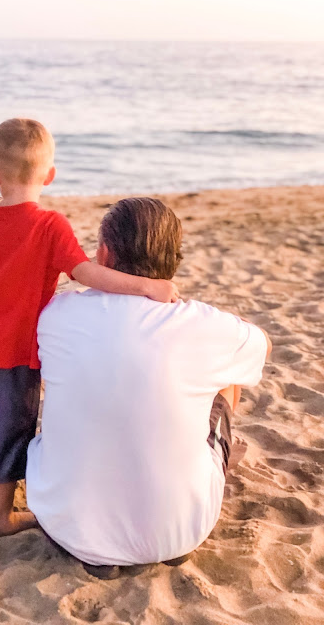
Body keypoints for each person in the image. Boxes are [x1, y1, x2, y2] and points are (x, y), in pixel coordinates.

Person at [0, 121, 179, 536]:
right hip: (16, 351)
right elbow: (87, 273)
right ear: (50, 175)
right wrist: (147, 286)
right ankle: (2, 517)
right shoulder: (49, 225)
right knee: (9, 427)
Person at [26, 197, 272, 578]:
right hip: (183, 532)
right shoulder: (199, 322)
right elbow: (263, 346)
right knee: (228, 375)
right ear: (172, 263)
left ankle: (101, 545)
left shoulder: (58, 313)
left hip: (67, 527)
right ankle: (171, 503)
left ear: (104, 255)